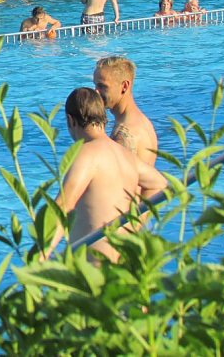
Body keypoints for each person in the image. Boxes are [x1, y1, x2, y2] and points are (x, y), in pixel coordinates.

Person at [44, 87, 167, 263]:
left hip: (94, 270)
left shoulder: (86, 154)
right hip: (124, 260)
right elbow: (159, 184)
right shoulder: (125, 155)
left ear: (70, 120)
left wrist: (42, 254)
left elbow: (63, 205)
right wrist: (136, 224)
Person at [93, 56, 159, 166]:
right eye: (95, 85)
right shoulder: (142, 121)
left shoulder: (124, 134)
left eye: (102, 86)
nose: (96, 92)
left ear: (124, 86)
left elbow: (117, 181)